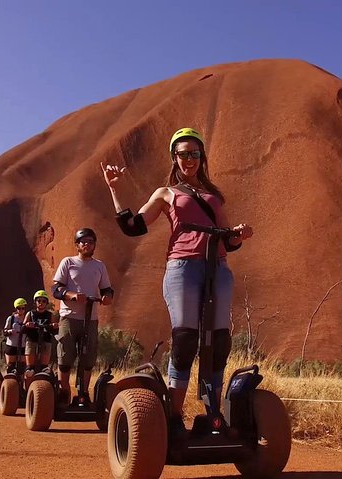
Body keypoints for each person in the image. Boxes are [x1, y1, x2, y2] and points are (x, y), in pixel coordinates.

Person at [101, 127, 253, 432]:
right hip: (183, 268)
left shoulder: (214, 195)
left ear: (202, 157)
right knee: (185, 340)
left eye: (194, 153)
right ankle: (173, 416)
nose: (189, 159)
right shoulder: (165, 193)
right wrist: (115, 189)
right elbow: (133, 226)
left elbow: (229, 242)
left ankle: (213, 415)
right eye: (183, 153)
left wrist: (239, 234)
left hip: (218, 268)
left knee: (218, 341)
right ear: (175, 157)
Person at [51, 227, 113, 404]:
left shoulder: (99, 266)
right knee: (65, 356)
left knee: (88, 357)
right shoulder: (68, 262)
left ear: (94, 245)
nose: (87, 244)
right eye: (83, 242)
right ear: (77, 245)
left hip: (90, 318)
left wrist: (107, 297)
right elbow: (56, 289)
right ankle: (64, 392)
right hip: (69, 317)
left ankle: (84, 393)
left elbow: (107, 288)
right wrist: (70, 295)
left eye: (90, 242)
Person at [23, 290, 58, 376]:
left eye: (44, 301)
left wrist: (55, 326)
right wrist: (27, 325)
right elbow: (23, 328)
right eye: (39, 301)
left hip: (46, 340)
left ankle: (44, 371)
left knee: (44, 368)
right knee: (29, 369)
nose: (41, 303)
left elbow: (55, 330)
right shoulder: (30, 314)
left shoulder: (50, 315)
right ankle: (28, 385)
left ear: (46, 303)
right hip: (32, 339)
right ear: (35, 302)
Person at [2, 298, 27, 373]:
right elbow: (4, 331)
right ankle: (10, 383)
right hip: (11, 346)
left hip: (23, 346)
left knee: (22, 368)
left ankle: (21, 384)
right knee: (10, 367)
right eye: (19, 308)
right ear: (16, 309)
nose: (21, 310)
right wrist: (9, 331)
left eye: (23, 308)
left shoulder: (28, 318)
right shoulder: (11, 318)